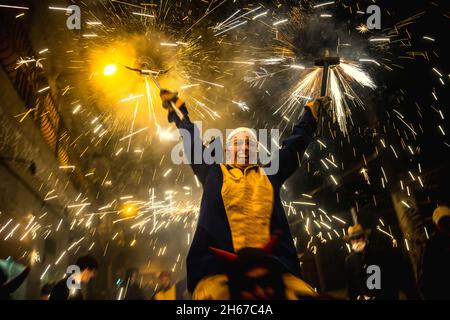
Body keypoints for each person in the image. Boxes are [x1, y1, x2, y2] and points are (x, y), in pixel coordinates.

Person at [160, 89, 329, 300]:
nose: (244, 147)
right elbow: (192, 141)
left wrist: (311, 115)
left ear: (257, 150)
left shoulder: (269, 173)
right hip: (220, 272)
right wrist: (179, 112)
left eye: (249, 143)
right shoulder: (213, 172)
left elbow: (294, 145)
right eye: (238, 143)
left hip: (273, 269)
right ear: (228, 149)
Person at [344, 224, 417, 300]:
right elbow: (351, 287)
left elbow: (393, 277)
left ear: (364, 237)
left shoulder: (379, 253)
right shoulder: (350, 260)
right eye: (352, 238)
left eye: (358, 237)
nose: (356, 241)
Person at [420, 205, 450, 299]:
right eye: (443, 222)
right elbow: (427, 272)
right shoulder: (432, 244)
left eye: (447, 221)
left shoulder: (432, 243)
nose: (445, 225)